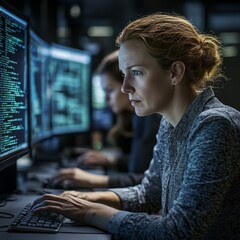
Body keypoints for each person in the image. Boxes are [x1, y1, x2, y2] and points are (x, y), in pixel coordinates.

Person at [32, 12, 240, 239]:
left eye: (137, 72)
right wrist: (87, 198)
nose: (124, 87)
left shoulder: (215, 126)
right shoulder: (170, 124)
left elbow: (180, 231)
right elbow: (148, 195)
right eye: (124, 74)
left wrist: (90, 211)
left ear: (175, 73)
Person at [49, 50, 161, 189]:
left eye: (110, 90)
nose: (106, 99)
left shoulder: (155, 119)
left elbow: (152, 183)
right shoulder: (138, 117)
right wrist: (110, 160)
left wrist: (91, 179)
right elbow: (143, 165)